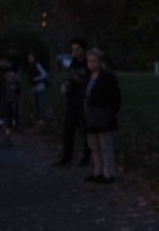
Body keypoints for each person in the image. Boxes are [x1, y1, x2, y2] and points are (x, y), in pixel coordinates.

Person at [82, 48, 121, 183]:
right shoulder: (87, 77)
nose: (91, 64)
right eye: (89, 61)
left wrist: (111, 112)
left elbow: (115, 96)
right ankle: (97, 171)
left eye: (94, 61)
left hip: (103, 114)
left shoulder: (108, 77)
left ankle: (108, 173)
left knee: (105, 145)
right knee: (94, 145)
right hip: (90, 115)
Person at [54, 38, 91, 166]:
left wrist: (79, 80)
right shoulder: (73, 62)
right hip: (72, 98)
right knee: (68, 127)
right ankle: (67, 155)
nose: (74, 52)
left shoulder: (88, 63)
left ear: (83, 50)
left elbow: (89, 81)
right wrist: (66, 84)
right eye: (73, 49)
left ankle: (86, 157)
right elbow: (70, 78)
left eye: (77, 49)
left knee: (84, 128)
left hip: (84, 99)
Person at [25, 51, 49, 125]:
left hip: (40, 87)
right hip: (34, 88)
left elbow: (44, 74)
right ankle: (37, 119)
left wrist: (37, 79)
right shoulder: (30, 67)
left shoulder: (37, 65)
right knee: (36, 104)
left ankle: (42, 119)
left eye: (30, 57)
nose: (29, 58)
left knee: (40, 104)